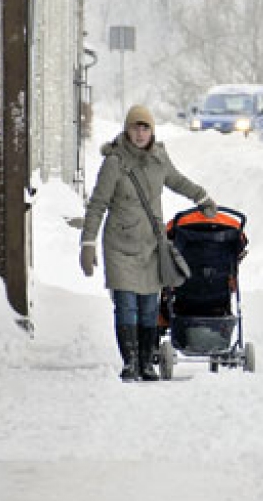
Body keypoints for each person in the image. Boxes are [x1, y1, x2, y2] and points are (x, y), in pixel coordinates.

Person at [79, 105, 217, 382]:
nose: (140, 133)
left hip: (152, 245)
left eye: (145, 128)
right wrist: (88, 243)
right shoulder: (115, 162)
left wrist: (202, 198)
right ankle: (131, 363)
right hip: (120, 246)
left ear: (152, 131)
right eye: (135, 127)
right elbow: (97, 205)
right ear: (127, 130)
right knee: (127, 305)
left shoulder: (159, 159)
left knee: (149, 308)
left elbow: (177, 181)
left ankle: (146, 363)